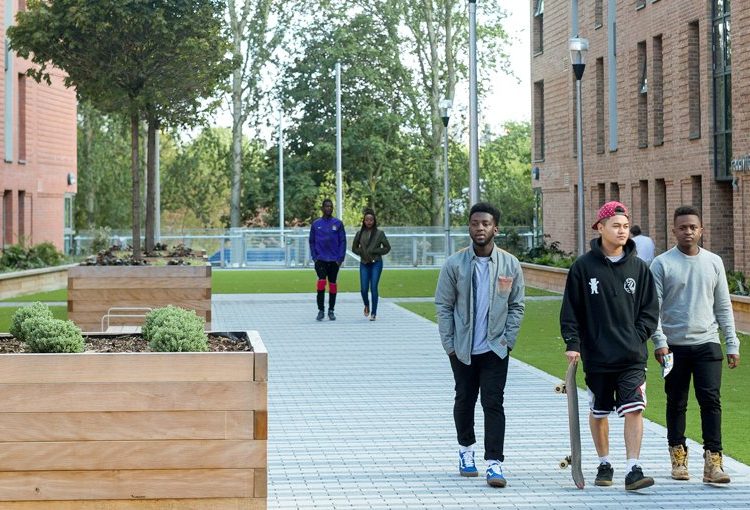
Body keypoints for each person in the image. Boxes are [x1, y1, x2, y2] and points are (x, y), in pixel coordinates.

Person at [559, 201, 659, 491]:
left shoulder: (640, 269)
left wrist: (635, 336)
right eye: (616, 225)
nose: (622, 231)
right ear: (600, 228)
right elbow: (571, 311)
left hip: (631, 356)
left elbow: (650, 311)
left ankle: (633, 469)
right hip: (597, 356)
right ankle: (604, 463)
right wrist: (574, 343)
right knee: (600, 411)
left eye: (626, 226)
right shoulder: (582, 267)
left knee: (634, 408)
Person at [435, 202, 525, 488]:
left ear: (495, 228)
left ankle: (494, 463)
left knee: (493, 402)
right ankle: (465, 451)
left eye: (485, 223)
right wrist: (449, 344)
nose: (480, 228)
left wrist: (508, 341)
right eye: (475, 223)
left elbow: (517, 306)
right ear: (469, 228)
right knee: (464, 399)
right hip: (462, 349)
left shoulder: (510, 264)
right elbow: (443, 305)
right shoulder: (454, 264)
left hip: (496, 348)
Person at [651, 205, 740, 484]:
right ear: (674, 230)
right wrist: (660, 342)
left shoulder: (713, 262)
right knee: (676, 402)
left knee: (711, 402)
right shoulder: (661, 264)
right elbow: (653, 308)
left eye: (693, 227)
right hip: (673, 346)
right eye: (682, 227)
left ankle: (714, 462)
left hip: (708, 344)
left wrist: (732, 343)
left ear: (701, 230)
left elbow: (724, 306)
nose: (688, 231)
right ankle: (678, 459)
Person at [309, 198, 346, 321]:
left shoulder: (338, 224)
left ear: (332, 208)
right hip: (320, 260)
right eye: (326, 206)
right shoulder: (316, 224)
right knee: (321, 283)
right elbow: (312, 242)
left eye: (330, 206)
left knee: (333, 285)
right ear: (322, 208)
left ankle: (331, 310)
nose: (328, 208)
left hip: (334, 260)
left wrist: (340, 259)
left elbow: (343, 241)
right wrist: (315, 258)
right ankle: (321, 310)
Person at [352, 208, 391, 321]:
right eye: (367, 220)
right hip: (364, 263)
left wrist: (376, 251)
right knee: (364, 289)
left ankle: (373, 313)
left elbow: (387, 248)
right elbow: (354, 248)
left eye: (371, 220)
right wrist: (362, 252)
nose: (369, 222)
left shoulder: (380, 234)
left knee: (373, 287)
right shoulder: (359, 233)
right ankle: (366, 305)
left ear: (374, 221)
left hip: (376, 263)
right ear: (363, 221)